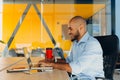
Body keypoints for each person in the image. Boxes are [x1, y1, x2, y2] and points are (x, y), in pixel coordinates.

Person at [38, 16, 104, 80]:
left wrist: (51, 65)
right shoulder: (76, 43)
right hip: (76, 77)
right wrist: (54, 61)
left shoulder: (92, 44)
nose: (68, 32)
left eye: (71, 29)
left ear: (81, 28)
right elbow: (69, 61)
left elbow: (76, 68)